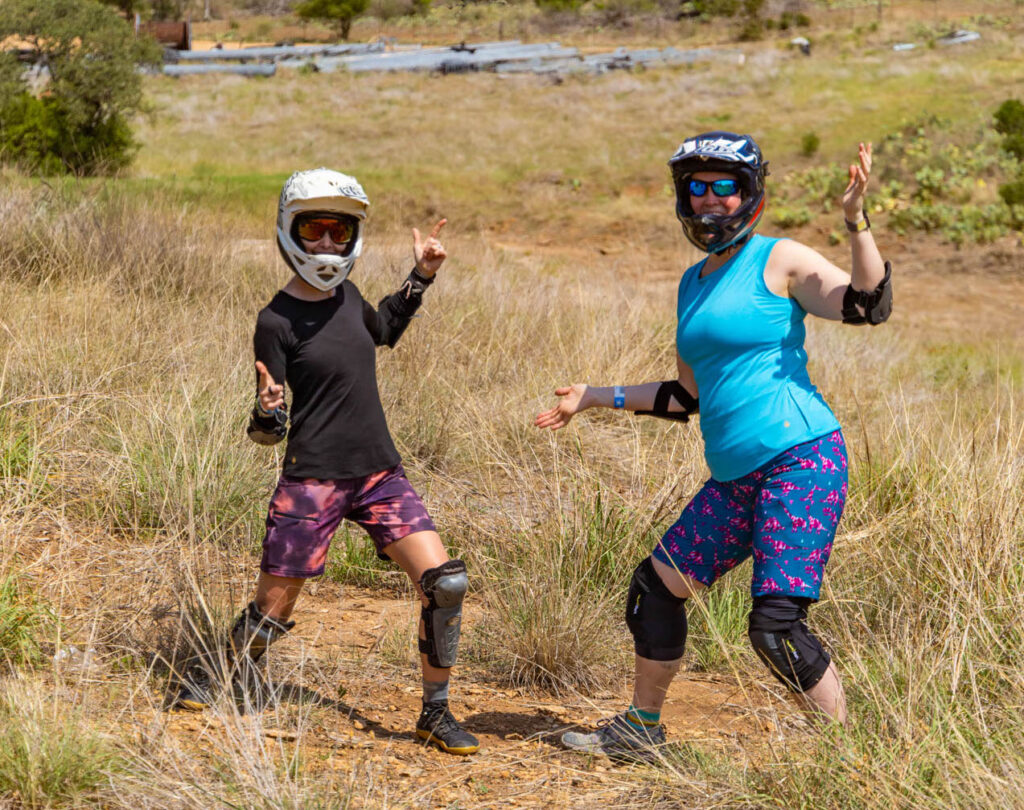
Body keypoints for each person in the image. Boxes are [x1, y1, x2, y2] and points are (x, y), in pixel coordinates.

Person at [534, 132, 892, 761]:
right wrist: (595, 395)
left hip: (800, 460)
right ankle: (642, 729)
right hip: (735, 477)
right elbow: (687, 396)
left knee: (775, 628)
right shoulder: (692, 282)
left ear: (749, 193)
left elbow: (869, 305)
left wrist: (857, 222)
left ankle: (856, 758)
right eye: (696, 186)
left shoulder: (779, 259)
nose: (709, 199)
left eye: (724, 186)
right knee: (655, 587)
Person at [175, 168, 479, 756]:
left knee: (446, 585)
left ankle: (434, 714)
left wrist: (422, 276)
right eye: (313, 229)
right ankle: (217, 674)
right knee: (273, 607)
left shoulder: (350, 296)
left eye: (338, 231)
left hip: (378, 473)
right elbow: (267, 433)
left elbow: (384, 330)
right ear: (291, 232)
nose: (326, 244)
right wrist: (268, 411)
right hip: (311, 479)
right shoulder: (276, 321)